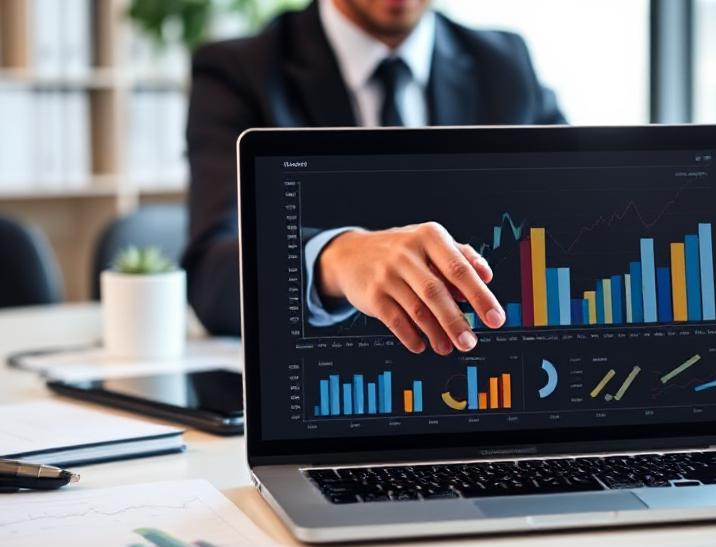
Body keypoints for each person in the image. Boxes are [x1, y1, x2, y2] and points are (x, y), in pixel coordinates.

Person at [183, 0, 565, 352]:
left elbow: (573, 212)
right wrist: (332, 259)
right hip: (338, 373)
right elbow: (211, 274)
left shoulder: (505, 62)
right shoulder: (239, 70)